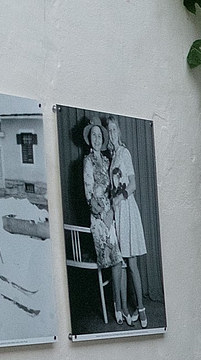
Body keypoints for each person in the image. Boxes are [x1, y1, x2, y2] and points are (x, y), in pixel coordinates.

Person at [104, 117, 153, 327]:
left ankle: (141, 310)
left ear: (119, 132)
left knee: (132, 263)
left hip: (126, 208)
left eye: (114, 129)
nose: (112, 133)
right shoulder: (112, 156)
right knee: (121, 263)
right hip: (117, 212)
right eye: (109, 130)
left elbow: (133, 185)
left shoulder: (124, 153)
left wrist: (118, 198)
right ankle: (124, 309)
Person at [77, 118, 126, 327]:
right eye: (94, 136)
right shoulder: (88, 161)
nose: (97, 139)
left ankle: (118, 304)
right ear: (89, 139)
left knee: (120, 260)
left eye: (100, 135)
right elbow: (89, 193)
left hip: (110, 213)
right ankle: (117, 307)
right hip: (98, 217)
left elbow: (113, 189)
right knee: (113, 258)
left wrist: (111, 213)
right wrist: (101, 215)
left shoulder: (107, 161)